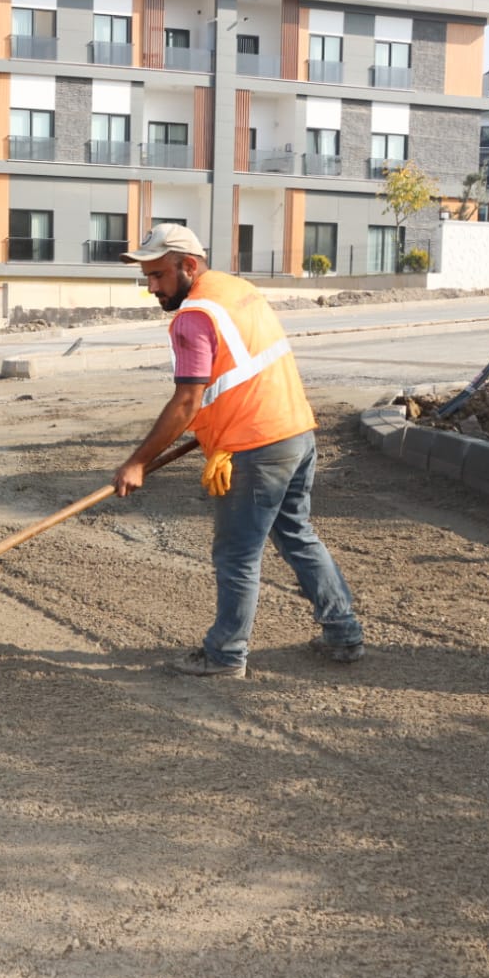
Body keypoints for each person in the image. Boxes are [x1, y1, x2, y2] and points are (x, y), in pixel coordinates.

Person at [111, 224, 364, 678]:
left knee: (237, 556)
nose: (151, 288)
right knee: (296, 534)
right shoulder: (237, 289)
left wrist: (138, 462)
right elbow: (239, 368)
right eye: (146, 277)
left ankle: (226, 654)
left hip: (255, 448)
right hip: (295, 432)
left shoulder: (193, 317)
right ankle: (343, 632)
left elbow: (187, 400)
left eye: (158, 276)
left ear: (189, 265)